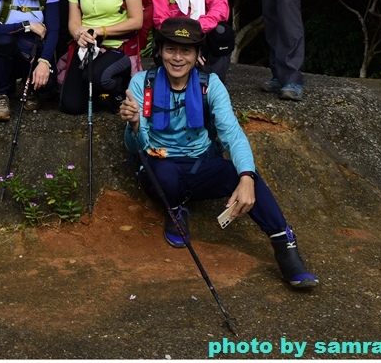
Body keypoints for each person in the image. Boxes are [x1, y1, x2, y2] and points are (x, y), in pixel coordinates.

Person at [119, 17, 318, 290]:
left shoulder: (210, 84)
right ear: (160, 51)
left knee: (243, 174)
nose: (177, 58)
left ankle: (285, 243)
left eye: (186, 50)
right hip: (159, 163)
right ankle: (176, 211)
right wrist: (134, 125)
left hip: (201, 164)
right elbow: (135, 148)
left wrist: (247, 176)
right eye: (170, 49)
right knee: (161, 173)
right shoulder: (143, 82)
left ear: (198, 54)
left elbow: (232, 134)